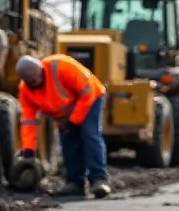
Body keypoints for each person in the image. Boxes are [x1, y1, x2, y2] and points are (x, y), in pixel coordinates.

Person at [15, 54, 111, 198]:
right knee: (68, 140)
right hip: (65, 112)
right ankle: (75, 183)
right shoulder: (25, 90)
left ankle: (99, 179)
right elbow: (29, 121)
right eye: (31, 81)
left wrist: (74, 121)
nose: (35, 82)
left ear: (41, 68)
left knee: (90, 134)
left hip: (91, 98)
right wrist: (28, 150)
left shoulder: (61, 67)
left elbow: (86, 92)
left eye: (37, 77)